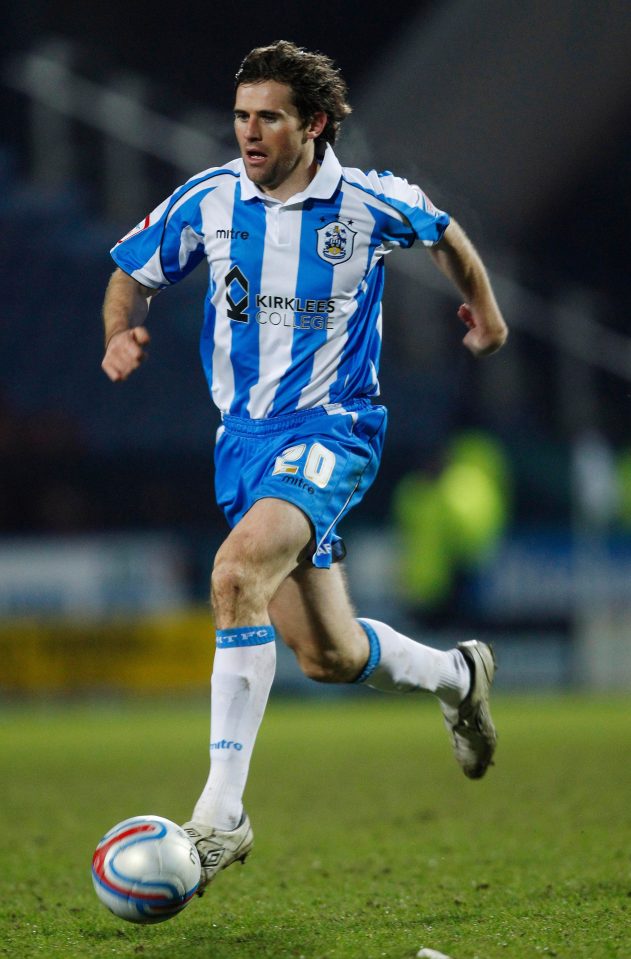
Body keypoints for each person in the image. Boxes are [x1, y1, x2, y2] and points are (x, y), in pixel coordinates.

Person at [101, 40, 508, 895]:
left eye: (268, 117)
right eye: (242, 114)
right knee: (327, 653)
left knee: (236, 571)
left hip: (335, 426)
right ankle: (457, 675)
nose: (248, 132)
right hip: (243, 442)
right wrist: (118, 330)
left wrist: (485, 314)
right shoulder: (209, 199)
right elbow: (128, 273)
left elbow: (445, 237)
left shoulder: (368, 202)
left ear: (312, 123)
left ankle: (220, 816)